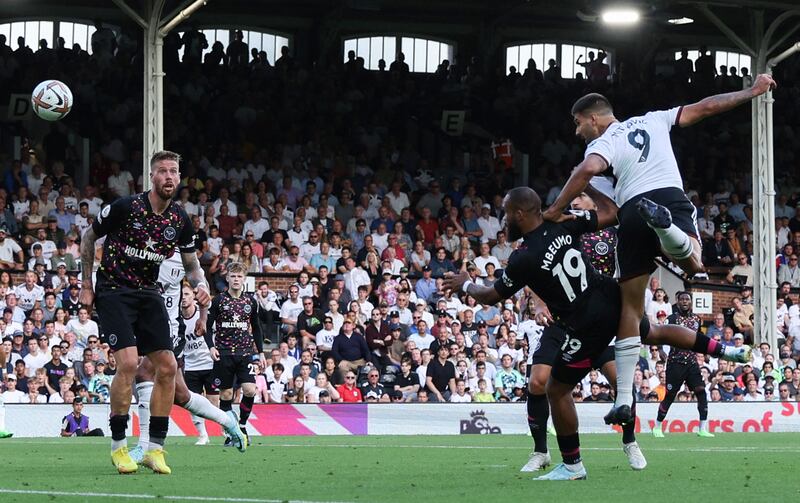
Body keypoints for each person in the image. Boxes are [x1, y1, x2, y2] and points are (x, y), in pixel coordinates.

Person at [442, 187, 748, 481]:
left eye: (507, 214)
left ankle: (573, 464)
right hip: (610, 298)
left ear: (520, 214)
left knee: (557, 389)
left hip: (584, 324)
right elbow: (613, 212)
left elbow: (493, 295)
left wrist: (465, 284)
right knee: (652, 332)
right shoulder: (564, 223)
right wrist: (589, 183)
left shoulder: (524, 256)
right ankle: (724, 351)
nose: (505, 219)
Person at [542, 74, 776, 424]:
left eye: (578, 124)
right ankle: (667, 228)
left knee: (631, 311)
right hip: (667, 196)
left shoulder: (600, 147)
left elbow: (593, 178)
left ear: (594, 118)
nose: (578, 132)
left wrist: (556, 209)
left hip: (632, 216)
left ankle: (623, 399)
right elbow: (706, 107)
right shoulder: (654, 118)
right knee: (695, 264)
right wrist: (752, 92)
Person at [79, 150, 213, 474]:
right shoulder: (125, 208)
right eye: (163, 171)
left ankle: (155, 449)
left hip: (148, 292)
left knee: (166, 366)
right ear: (151, 176)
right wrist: (86, 283)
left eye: (174, 172)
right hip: (114, 290)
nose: (169, 177)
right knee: (127, 363)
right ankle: (118, 447)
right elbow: (88, 237)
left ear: (180, 178)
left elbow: (191, 263)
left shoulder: (179, 219)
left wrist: (202, 282)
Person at [129, 254, 246, 464]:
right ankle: (227, 420)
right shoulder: (140, 253)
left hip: (171, 329)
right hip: (151, 326)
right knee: (181, 396)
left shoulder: (178, 254)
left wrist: (202, 317)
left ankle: (143, 446)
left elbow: (199, 283)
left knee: (144, 372)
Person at [204, 262, 265, 448]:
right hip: (223, 353)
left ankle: (243, 426)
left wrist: (260, 352)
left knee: (249, 390)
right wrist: (210, 346)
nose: (236, 279)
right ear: (227, 278)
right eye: (233, 276)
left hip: (245, 353)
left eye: (239, 276)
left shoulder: (250, 302)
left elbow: (256, 328)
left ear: (244, 279)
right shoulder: (219, 300)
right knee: (226, 394)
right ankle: (231, 433)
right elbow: (207, 326)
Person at [653, 292, 715, 438]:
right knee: (670, 395)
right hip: (676, 363)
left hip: (692, 363)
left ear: (691, 302)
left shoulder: (696, 319)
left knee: (701, 392)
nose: (685, 302)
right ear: (677, 301)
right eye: (682, 299)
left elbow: (699, 338)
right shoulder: (672, 318)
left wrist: (705, 352)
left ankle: (702, 428)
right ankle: (657, 426)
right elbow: (659, 333)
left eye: (687, 299)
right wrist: (661, 349)